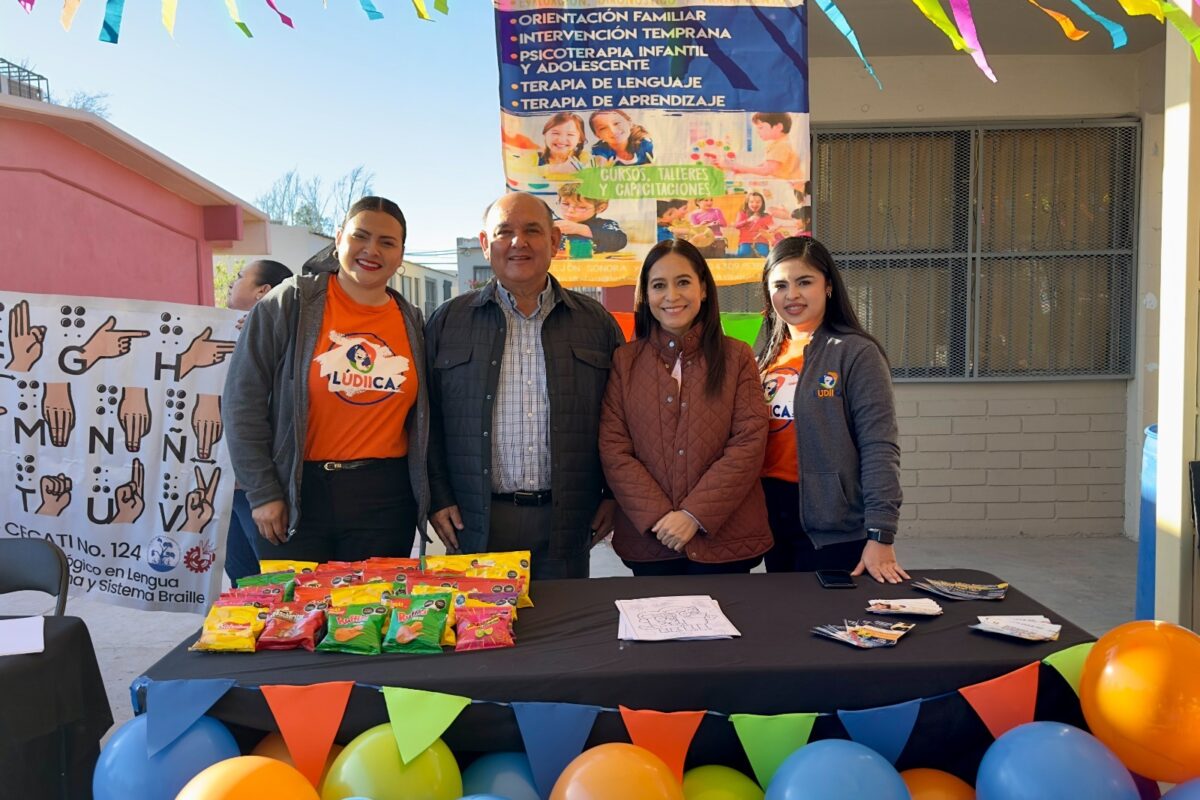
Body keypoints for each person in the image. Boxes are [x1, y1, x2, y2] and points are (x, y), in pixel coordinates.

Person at [425, 192, 624, 580]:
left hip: (566, 521)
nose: (519, 242)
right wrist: (438, 495)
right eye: (505, 232)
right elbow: (425, 420)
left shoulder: (595, 324)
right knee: (483, 637)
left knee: (564, 635)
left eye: (533, 230)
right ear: (485, 245)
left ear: (554, 241)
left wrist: (613, 496)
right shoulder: (448, 322)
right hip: (476, 521)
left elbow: (622, 420)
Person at [223, 196, 431, 562]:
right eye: (360, 237)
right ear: (338, 240)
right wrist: (263, 492)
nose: (371, 250)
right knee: (299, 615)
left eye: (387, 242)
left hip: (385, 498)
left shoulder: (411, 320)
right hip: (298, 493)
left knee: (371, 616)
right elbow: (243, 401)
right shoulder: (288, 304)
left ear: (400, 255)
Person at [600, 239, 772, 575]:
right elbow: (614, 448)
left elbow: (749, 443)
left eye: (683, 282)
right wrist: (660, 517)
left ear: (703, 289)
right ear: (645, 296)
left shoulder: (737, 356)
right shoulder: (625, 361)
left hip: (727, 540)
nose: (671, 296)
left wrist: (694, 515)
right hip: (651, 541)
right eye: (659, 285)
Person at [756, 237, 908, 583]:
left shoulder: (855, 353)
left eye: (804, 282)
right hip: (771, 520)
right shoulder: (765, 356)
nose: (791, 294)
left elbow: (879, 446)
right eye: (780, 285)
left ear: (827, 286)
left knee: (830, 627)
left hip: (832, 527)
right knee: (783, 621)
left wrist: (881, 533)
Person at [222, 259, 293, 583]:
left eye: (238, 278)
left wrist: (264, 492)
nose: (229, 284)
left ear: (263, 291)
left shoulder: (285, 339)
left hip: (259, 487)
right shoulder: (217, 331)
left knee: (270, 582)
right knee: (240, 583)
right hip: (222, 483)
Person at [725, 113, 804, 181]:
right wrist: (744, 170)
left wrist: (741, 167)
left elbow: (766, 170)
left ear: (779, 127)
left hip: (792, 186)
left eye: (760, 127)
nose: (757, 131)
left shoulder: (781, 145)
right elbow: (765, 165)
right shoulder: (777, 143)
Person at [555, 183, 628, 254]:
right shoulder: (552, 224)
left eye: (581, 207)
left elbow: (619, 240)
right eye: (565, 204)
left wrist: (579, 229)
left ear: (600, 208)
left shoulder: (606, 225)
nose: (570, 210)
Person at [589, 110, 654, 166]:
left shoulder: (645, 144)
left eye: (616, 123)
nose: (613, 131)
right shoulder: (599, 151)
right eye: (603, 128)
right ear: (597, 136)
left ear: (630, 123)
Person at [733, 192, 776, 257]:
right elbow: (736, 226)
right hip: (745, 241)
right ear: (747, 203)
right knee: (743, 254)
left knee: (764, 254)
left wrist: (771, 229)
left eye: (758, 202)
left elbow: (772, 228)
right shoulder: (742, 214)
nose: (755, 204)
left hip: (762, 241)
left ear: (762, 204)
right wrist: (747, 220)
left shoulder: (766, 216)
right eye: (751, 202)